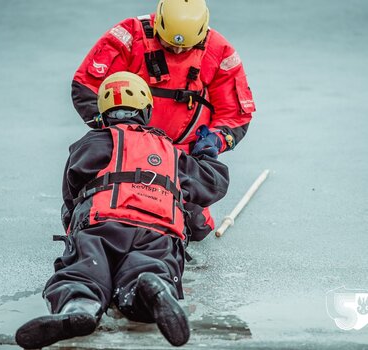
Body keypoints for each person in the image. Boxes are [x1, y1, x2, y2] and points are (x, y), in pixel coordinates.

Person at [15, 72, 229, 349]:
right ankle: (149, 285)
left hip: (102, 226)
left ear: (103, 114)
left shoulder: (90, 143)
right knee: (151, 266)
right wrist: (206, 155)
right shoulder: (170, 151)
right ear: (147, 110)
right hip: (157, 231)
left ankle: (80, 304)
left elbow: (72, 195)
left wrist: (75, 229)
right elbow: (212, 184)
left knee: (83, 272)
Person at [71, 0, 255, 241]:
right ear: (158, 24)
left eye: (185, 48)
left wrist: (215, 140)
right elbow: (86, 86)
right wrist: (112, 131)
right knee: (114, 216)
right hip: (126, 149)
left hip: (180, 155)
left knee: (196, 228)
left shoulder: (219, 52)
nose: (177, 52)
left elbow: (235, 113)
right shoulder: (128, 36)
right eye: (170, 45)